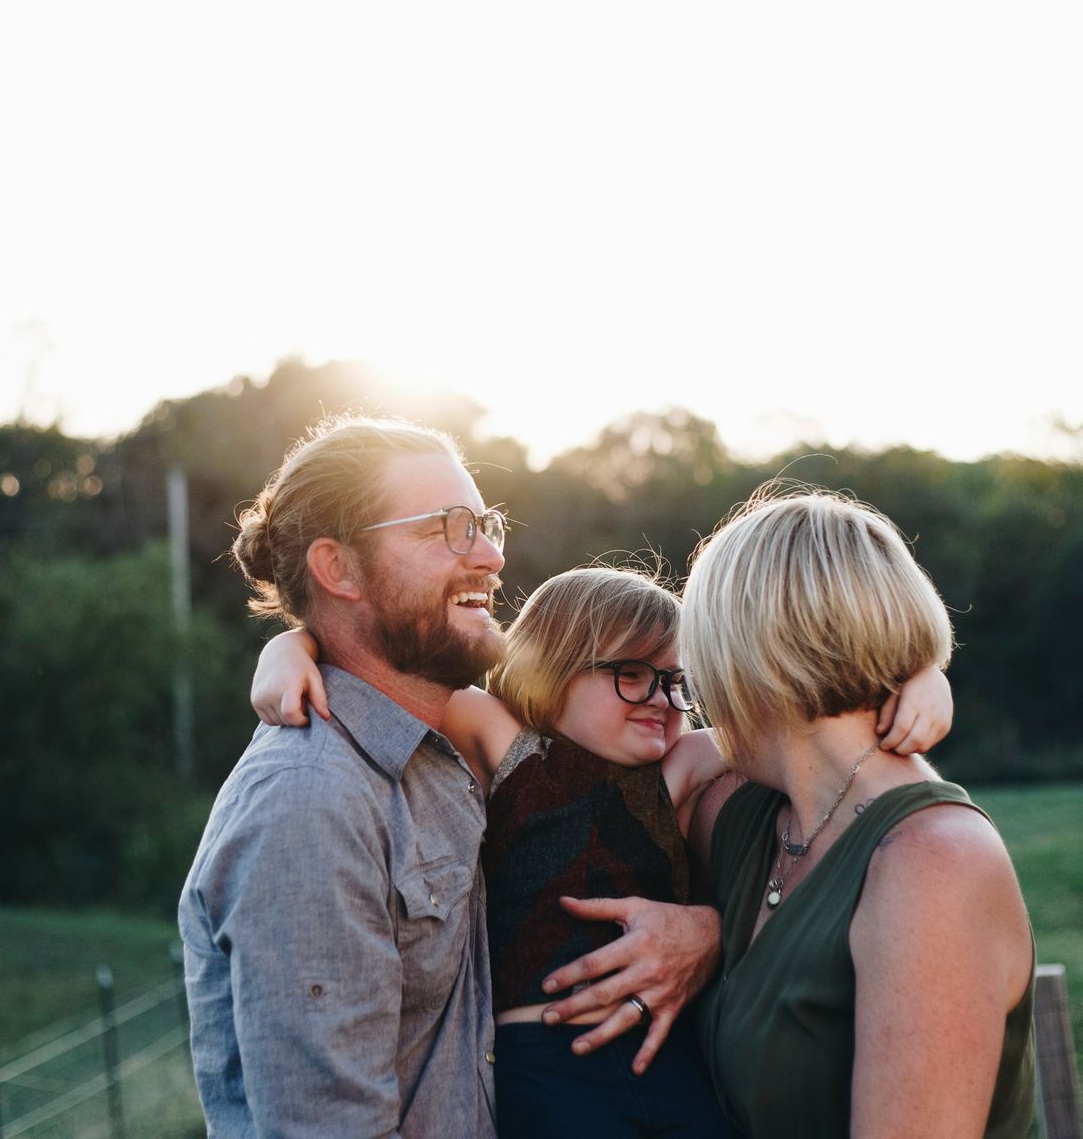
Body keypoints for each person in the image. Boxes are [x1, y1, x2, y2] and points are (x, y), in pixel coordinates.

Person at [252, 563, 954, 1138]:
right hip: (548, 1069)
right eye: (632, 673)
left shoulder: (678, 771)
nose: (661, 698)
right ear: (554, 666)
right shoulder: (509, 746)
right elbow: (379, 668)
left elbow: (810, 725)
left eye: (677, 680)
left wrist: (928, 677)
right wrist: (289, 647)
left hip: (670, 1061)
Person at [178, 415, 722, 1139]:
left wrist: (701, 932)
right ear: (337, 569)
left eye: (487, 524)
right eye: (449, 527)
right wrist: (292, 642)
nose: (493, 555)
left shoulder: (447, 760)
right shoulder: (310, 799)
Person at [682, 488, 1037, 1138]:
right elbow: (552, 762)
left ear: (751, 660)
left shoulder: (933, 864)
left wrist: (925, 668)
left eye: (699, 657)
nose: (696, 689)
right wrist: (692, 929)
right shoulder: (747, 814)